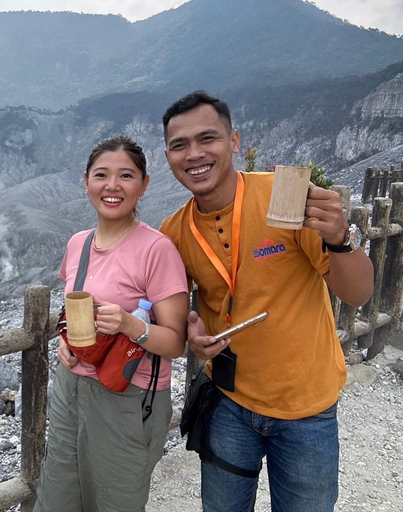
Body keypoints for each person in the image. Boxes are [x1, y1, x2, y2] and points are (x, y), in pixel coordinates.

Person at [159, 91, 374, 511]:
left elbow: (358, 293)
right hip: (228, 401)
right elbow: (175, 309)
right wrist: (192, 331)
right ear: (167, 155)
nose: (195, 154)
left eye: (208, 138)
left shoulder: (284, 197)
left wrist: (339, 239)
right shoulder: (175, 231)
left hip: (307, 405)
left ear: (235, 142)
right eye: (179, 145)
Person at [34, 135, 189, 512]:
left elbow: (176, 343)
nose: (113, 186)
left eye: (126, 176)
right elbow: (70, 311)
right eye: (101, 175)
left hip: (128, 398)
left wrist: (129, 325)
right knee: (58, 498)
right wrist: (65, 340)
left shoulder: (157, 250)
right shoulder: (78, 244)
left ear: (144, 184)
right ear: (85, 181)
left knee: (115, 501)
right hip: (71, 391)